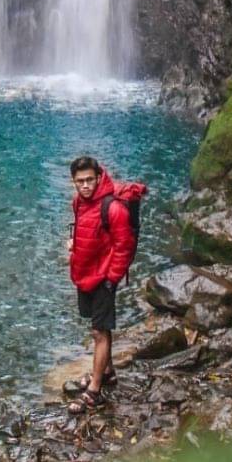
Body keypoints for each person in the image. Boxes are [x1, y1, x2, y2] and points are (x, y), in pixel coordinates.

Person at [66, 155, 138, 413]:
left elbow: (124, 246)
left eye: (89, 180)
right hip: (85, 272)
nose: (85, 186)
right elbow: (83, 230)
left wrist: (112, 279)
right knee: (99, 327)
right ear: (73, 182)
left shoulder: (113, 208)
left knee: (99, 331)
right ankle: (107, 372)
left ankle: (95, 390)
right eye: (79, 181)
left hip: (104, 278)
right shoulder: (78, 203)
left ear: (98, 177)